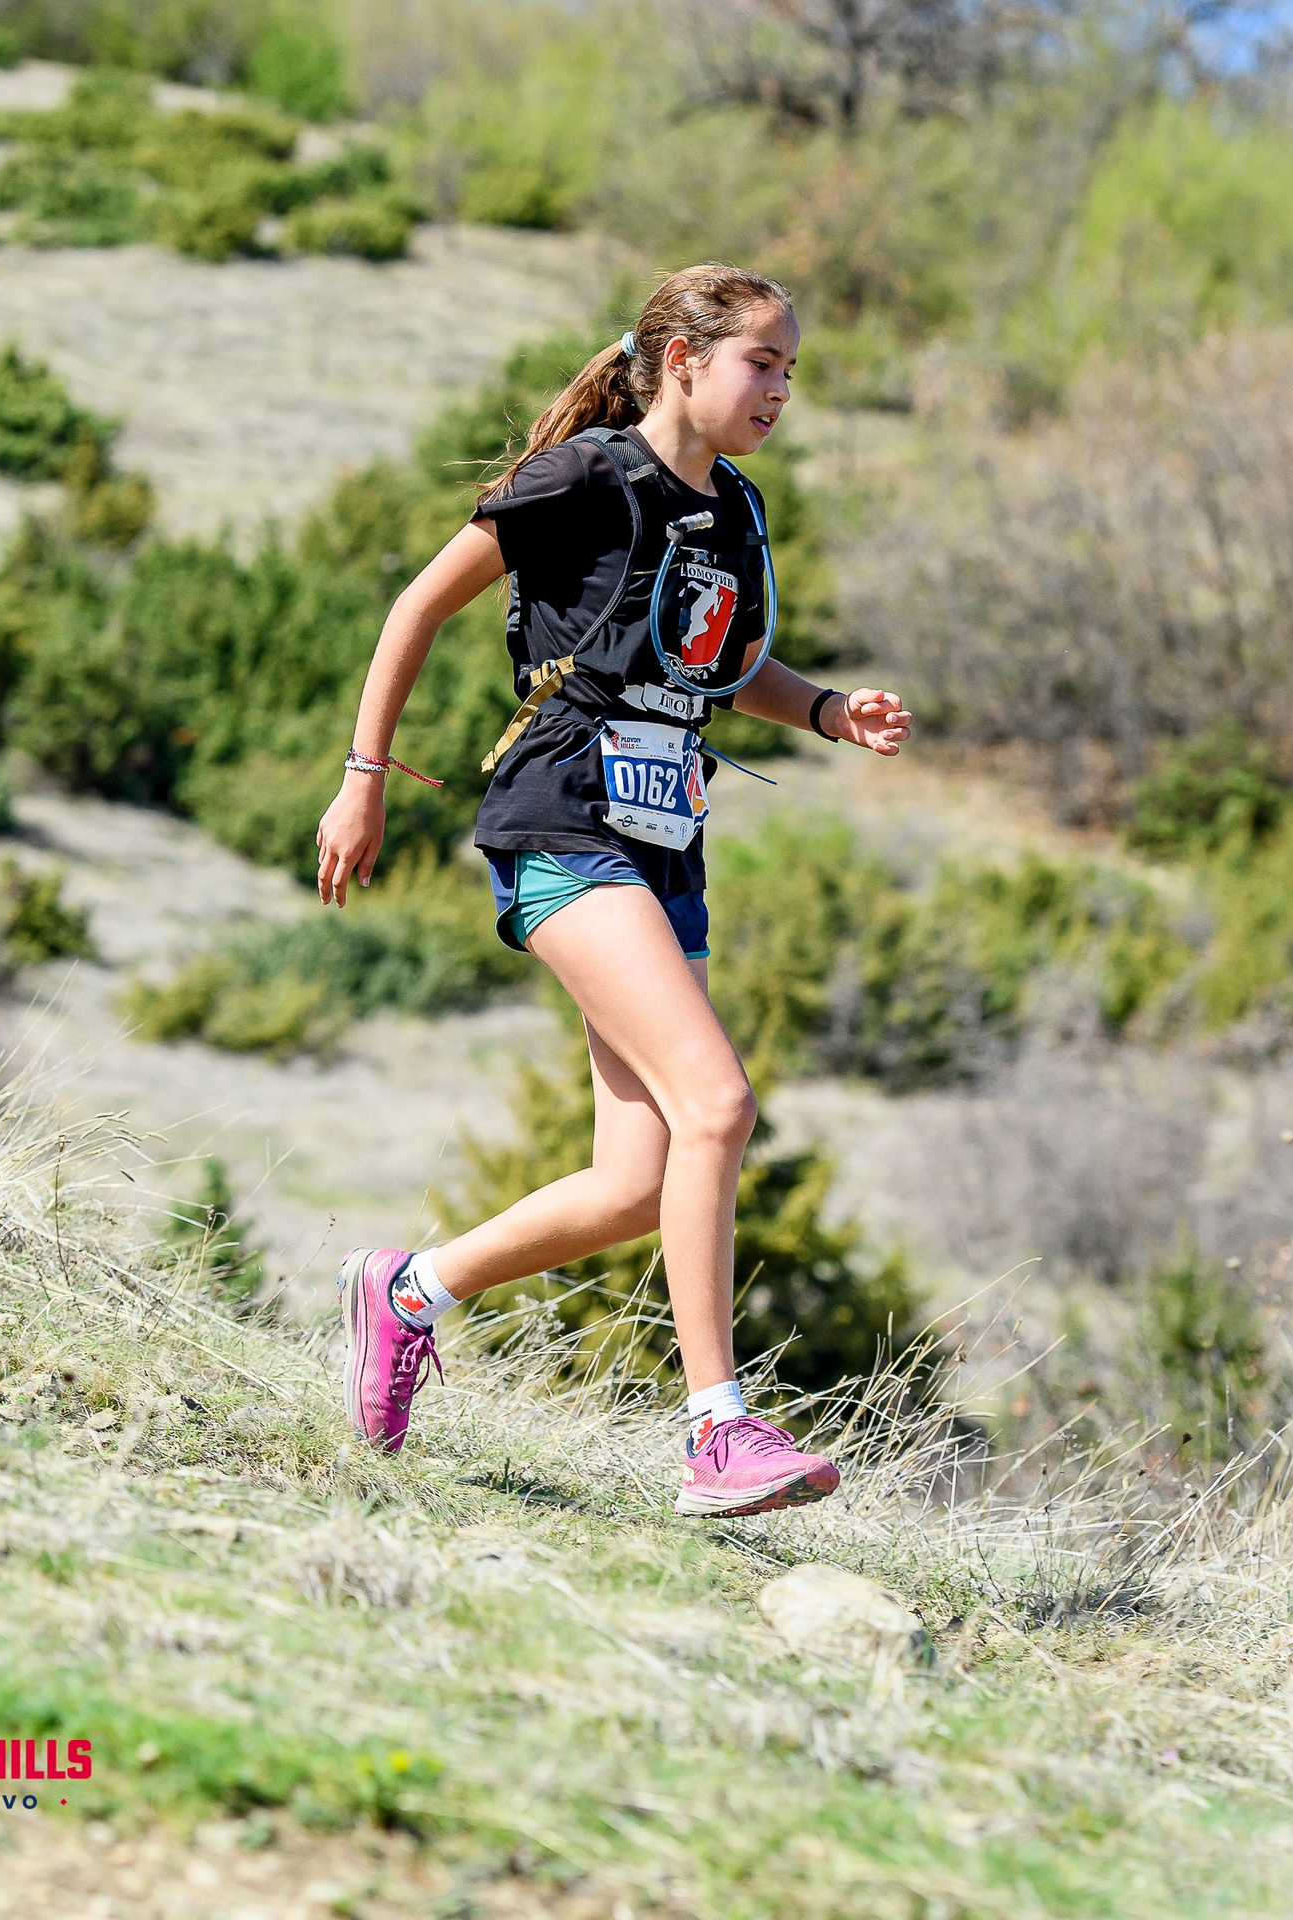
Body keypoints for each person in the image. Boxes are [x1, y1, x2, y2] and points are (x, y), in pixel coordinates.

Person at [312, 263, 911, 1517]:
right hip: (560, 817)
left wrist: (822, 709)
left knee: (637, 1181)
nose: (782, 390)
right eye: (764, 363)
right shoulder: (585, 477)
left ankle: (408, 1290)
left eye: (794, 370)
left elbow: (718, 665)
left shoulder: (736, 509)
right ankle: (718, 1434)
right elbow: (417, 605)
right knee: (719, 1101)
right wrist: (363, 775)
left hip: (664, 842)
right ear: (685, 361)